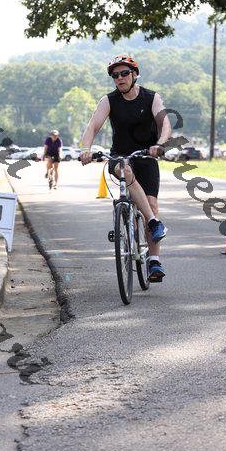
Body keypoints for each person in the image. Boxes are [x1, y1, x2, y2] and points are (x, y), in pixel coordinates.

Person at [80, 55, 171, 282]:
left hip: (146, 156)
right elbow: (93, 126)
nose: (119, 78)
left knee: (151, 203)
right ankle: (153, 222)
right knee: (124, 168)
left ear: (135, 74)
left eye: (124, 73)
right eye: (115, 75)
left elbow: (165, 125)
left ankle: (154, 261)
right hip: (120, 156)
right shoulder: (109, 100)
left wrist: (160, 145)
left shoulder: (151, 97)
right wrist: (86, 149)